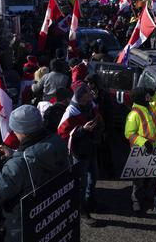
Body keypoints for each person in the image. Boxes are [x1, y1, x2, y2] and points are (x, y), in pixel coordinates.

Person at [0, 105, 70, 242]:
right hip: (52, 221)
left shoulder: (18, 166)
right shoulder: (57, 142)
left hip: (24, 229)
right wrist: (14, 154)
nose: (13, 132)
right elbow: (36, 158)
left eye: (14, 129)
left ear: (22, 132)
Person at [56, 83, 102, 226]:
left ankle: (90, 202)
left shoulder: (90, 105)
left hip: (91, 148)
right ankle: (81, 210)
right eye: (88, 92)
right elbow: (62, 132)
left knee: (93, 177)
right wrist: (83, 130)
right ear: (82, 96)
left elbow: (97, 116)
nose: (91, 94)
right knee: (81, 183)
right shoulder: (71, 111)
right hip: (79, 153)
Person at [124, 87, 156, 213]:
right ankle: (135, 199)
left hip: (154, 148)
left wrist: (155, 94)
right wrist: (144, 142)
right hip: (141, 150)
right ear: (141, 98)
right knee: (138, 180)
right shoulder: (134, 114)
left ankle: (148, 197)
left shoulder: (150, 107)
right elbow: (129, 134)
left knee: (153, 176)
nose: (149, 97)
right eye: (147, 95)